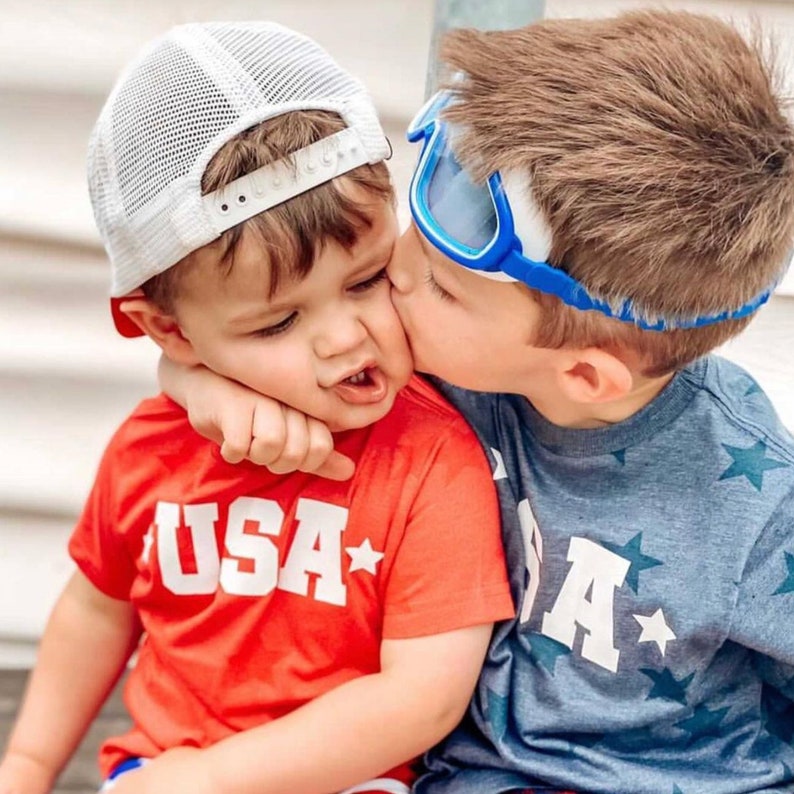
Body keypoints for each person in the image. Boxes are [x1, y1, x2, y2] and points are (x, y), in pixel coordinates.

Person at [159, 10, 794, 794]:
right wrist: (194, 383)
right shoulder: (457, 361)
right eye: (413, 240)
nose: (392, 271)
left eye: (440, 285)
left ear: (586, 377)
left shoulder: (758, 504)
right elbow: (235, 340)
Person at [0, 21, 516, 794]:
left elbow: (421, 698)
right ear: (168, 331)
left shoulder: (432, 458)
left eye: (369, 277)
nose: (349, 339)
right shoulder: (150, 451)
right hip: (157, 774)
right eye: (278, 322)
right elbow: (97, 611)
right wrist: (27, 766)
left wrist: (212, 780)